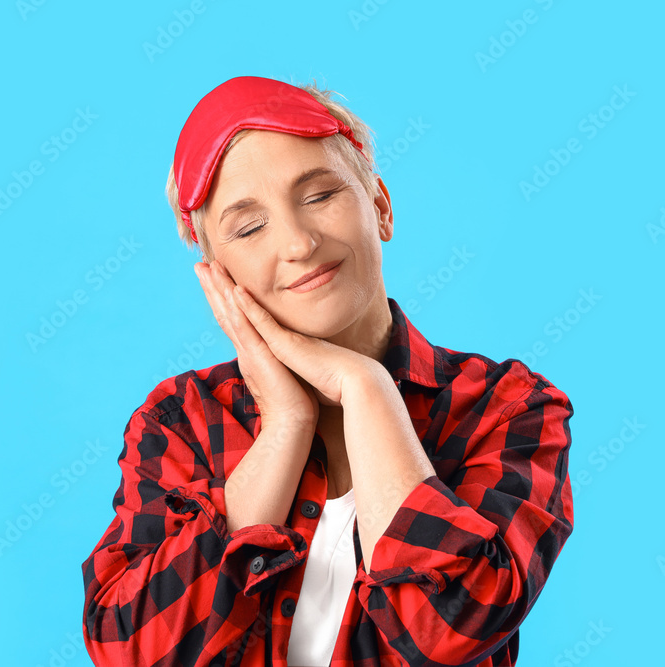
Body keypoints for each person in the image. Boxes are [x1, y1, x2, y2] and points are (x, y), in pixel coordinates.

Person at [81, 75, 575, 667]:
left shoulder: (508, 408)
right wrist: (286, 424)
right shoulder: (181, 421)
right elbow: (135, 651)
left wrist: (366, 389)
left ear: (381, 207)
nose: (298, 242)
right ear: (219, 276)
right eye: (248, 227)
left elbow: (450, 631)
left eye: (319, 195)